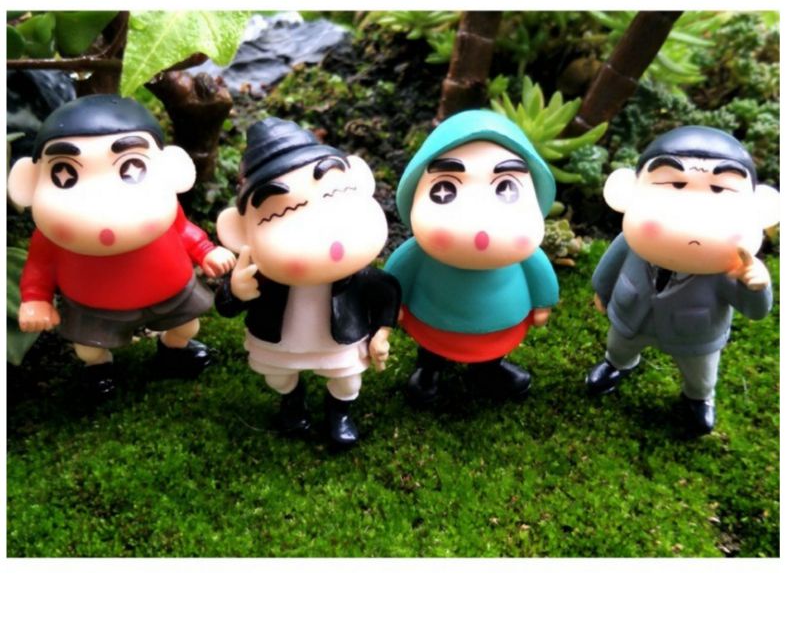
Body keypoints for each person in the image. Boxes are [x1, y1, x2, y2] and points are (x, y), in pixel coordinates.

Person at [8, 94, 236, 399]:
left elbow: (184, 231)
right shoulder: (50, 237)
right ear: (27, 182)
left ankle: (174, 350)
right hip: (93, 304)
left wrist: (206, 251)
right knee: (88, 347)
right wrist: (36, 299)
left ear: (172, 169)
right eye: (65, 174)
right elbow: (39, 266)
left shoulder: (168, 212)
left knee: (186, 327)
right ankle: (98, 368)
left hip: (171, 292)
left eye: (132, 167)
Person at [215, 116, 401, 449]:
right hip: (280, 339)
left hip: (341, 337)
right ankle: (292, 400)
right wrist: (237, 291)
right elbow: (225, 305)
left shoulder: (359, 277)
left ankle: (339, 413)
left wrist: (380, 334)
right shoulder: (260, 275)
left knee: (347, 380)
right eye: (281, 214)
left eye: (336, 193)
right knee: (278, 376)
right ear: (240, 232)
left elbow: (385, 294)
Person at [586, 125, 779, 434]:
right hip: (632, 314)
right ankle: (616, 365)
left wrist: (757, 286)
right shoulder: (632, 242)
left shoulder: (730, 266)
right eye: (675, 184)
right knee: (620, 346)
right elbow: (610, 265)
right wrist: (603, 292)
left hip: (695, 333)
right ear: (628, 192)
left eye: (719, 189)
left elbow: (756, 311)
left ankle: (699, 398)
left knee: (700, 373)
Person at [385, 109, 559, 405]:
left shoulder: (528, 256)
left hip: (501, 318)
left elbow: (540, 274)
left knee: (491, 351)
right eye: (445, 189)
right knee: (432, 350)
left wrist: (543, 302)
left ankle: (488, 369)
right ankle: (429, 370)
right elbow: (395, 275)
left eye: (506, 188)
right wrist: (393, 305)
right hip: (433, 317)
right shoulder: (418, 254)